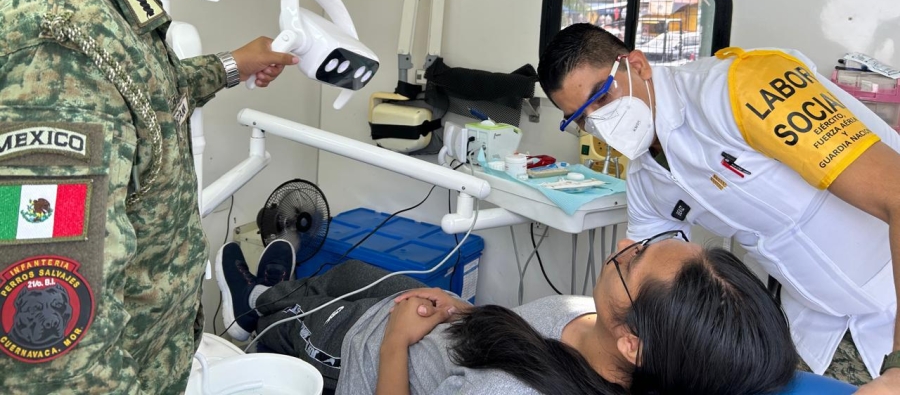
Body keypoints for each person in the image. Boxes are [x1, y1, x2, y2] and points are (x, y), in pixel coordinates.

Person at [0, 0, 298, 394]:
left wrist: (234, 64)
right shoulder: (60, 34)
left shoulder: (92, 2)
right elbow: (52, 356)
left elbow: (139, 91)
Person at [538, 23, 900, 392]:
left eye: (601, 95)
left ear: (638, 64)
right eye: (582, 117)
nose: (598, 119)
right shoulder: (647, 180)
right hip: (817, 321)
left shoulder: (741, 88)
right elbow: (642, 291)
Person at [215, 232, 798, 395]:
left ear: (634, 346)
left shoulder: (506, 391)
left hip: (369, 351)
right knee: (340, 276)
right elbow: (523, 333)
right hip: (440, 320)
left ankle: (255, 310)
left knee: (294, 317)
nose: (621, 250)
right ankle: (284, 287)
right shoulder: (594, 326)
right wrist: (467, 311)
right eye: (646, 242)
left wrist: (395, 341)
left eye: (633, 263)